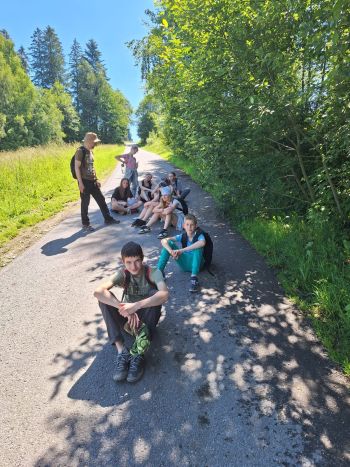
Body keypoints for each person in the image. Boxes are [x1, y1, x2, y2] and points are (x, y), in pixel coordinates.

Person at [94, 241, 168, 383]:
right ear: (123, 262)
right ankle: (122, 351)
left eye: (137, 261)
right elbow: (98, 291)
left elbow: (164, 294)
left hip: (146, 319)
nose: (133, 267)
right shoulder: (123, 274)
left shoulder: (152, 272)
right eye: (128, 262)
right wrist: (125, 310)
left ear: (142, 258)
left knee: (155, 293)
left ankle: (138, 354)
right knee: (104, 299)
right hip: (127, 319)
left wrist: (136, 306)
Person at [74, 132, 119, 231]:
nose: (95, 144)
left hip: (93, 181)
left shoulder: (91, 151)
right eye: (94, 142)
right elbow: (76, 167)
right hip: (84, 182)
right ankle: (85, 224)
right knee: (85, 203)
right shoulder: (80, 151)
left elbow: (92, 167)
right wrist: (80, 183)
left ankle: (108, 219)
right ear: (89, 141)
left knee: (101, 200)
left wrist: (96, 179)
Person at [157, 214, 205, 293]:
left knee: (198, 247)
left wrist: (181, 250)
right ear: (184, 226)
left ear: (196, 226)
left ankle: (194, 279)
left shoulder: (200, 235)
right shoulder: (182, 236)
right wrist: (171, 252)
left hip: (197, 264)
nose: (189, 227)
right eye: (187, 224)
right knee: (169, 243)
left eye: (192, 225)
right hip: (184, 264)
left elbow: (202, 243)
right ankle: (159, 273)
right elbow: (164, 241)